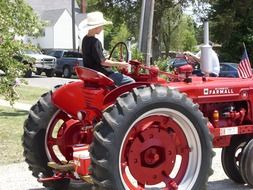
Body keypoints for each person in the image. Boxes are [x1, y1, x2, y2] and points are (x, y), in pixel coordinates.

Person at [80, 11, 135, 86]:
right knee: (131, 82)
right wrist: (121, 64)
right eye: (102, 26)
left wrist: (109, 60)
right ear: (96, 27)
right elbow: (103, 62)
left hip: (91, 73)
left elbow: (94, 58)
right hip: (101, 74)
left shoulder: (85, 40)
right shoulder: (95, 42)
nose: (102, 28)